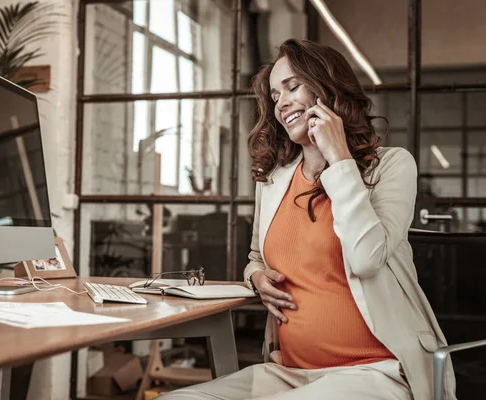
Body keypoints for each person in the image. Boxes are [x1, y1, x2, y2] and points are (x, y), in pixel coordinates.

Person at [160, 39, 456, 400]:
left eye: (292, 86)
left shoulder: (391, 166)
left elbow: (366, 258)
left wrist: (339, 157)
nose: (281, 102)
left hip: (375, 372)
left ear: (327, 87)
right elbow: (256, 257)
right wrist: (255, 277)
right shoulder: (275, 179)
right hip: (291, 372)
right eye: (274, 95)